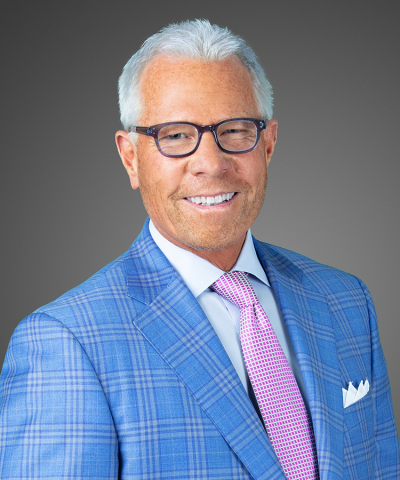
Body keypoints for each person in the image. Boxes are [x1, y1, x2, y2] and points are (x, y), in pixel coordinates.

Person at [0, 19, 398, 480]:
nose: (210, 163)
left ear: (269, 144)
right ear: (130, 158)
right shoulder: (65, 342)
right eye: (174, 135)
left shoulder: (346, 301)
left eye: (235, 130)